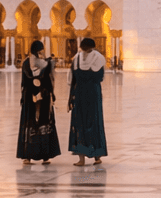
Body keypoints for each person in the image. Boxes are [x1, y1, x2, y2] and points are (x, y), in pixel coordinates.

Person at [18, 41, 60, 164]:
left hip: (31, 97)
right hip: (40, 97)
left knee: (35, 123)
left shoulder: (27, 63)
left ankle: (29, 155)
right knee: (39, 123)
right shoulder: (45, 63)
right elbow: (47, 80)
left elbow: (25, 82)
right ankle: (43, 155)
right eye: (41, 50)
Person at [69, 37, 109, 166]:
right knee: (87, 123)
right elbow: (99, 77)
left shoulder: (78, 59)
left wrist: (72, 95)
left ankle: (90, 157)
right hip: (90, 94)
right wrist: (71, 97)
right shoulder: (81, 59)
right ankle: (92, 156)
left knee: (85, 123)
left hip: (85, 94)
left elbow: (73, 80)